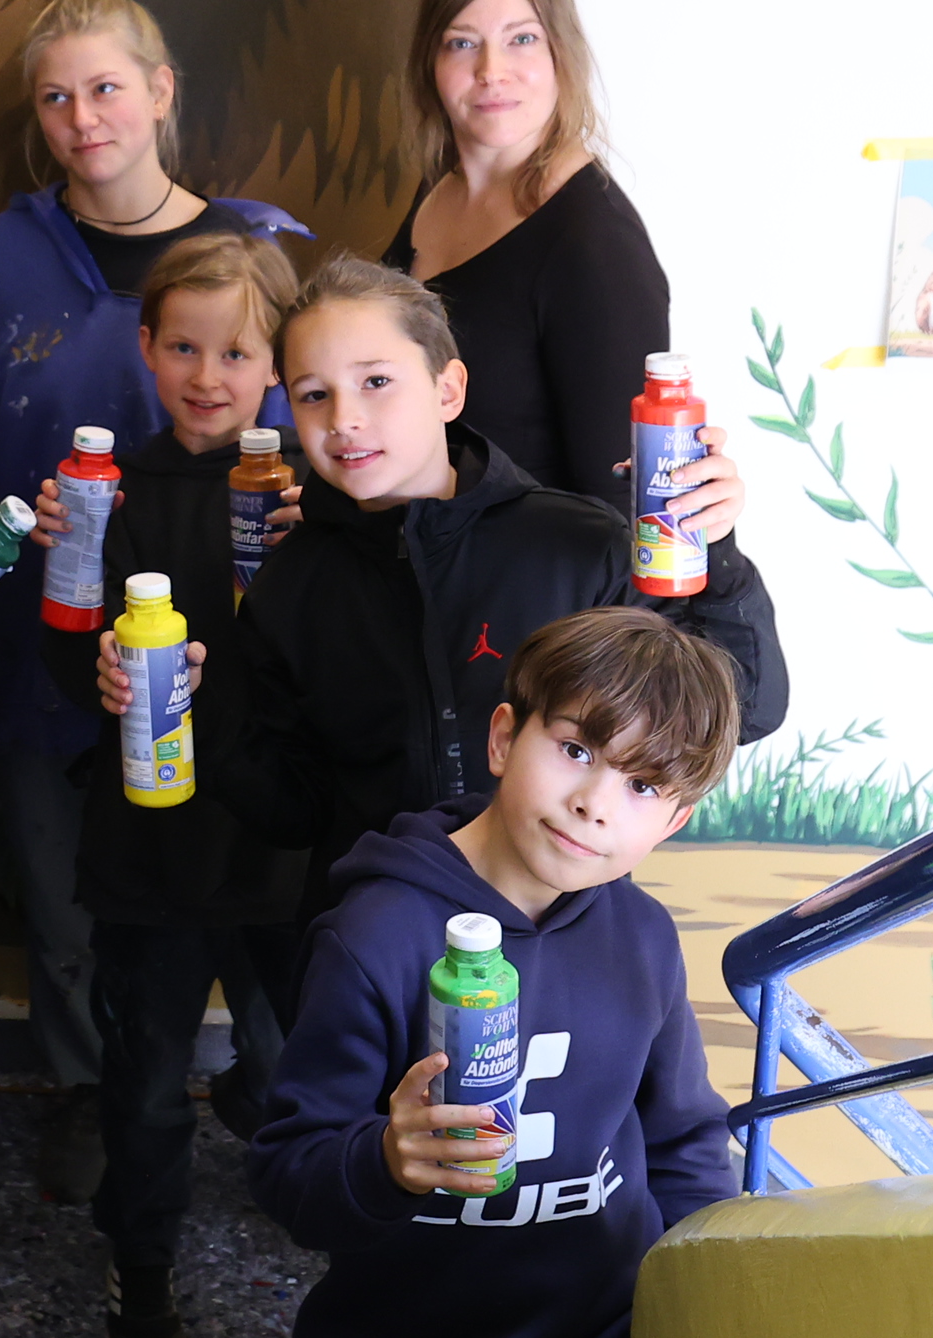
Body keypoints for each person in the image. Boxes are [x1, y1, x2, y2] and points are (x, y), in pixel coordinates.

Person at [246, 606, 746, 1338]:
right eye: (578, 748)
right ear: (506, 737)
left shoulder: (644, 937)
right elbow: (286, 1169)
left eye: (643, 787)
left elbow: (682, 1145)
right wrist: (381, 1160)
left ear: (673, 821)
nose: (598, 802)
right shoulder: (376, 939)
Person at [0, 0, 309, 1198]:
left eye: (105, 86)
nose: (82, 117)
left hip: (238, 673)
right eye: (55, 95)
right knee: (67, 906)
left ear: (161, 90)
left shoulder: (257, 248)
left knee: (262, 909)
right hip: (54, 653)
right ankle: (96, 1094)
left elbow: (309, 451)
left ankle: (286, 1100)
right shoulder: (3, 257)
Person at [209, 260, 782, 893]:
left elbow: (748, 708)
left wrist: (716, 545)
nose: (343, 418)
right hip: (371, 937)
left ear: (448, 389)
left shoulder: (578, 546)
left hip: (552, 934)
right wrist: (195, 708)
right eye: (314, 394)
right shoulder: (288, 588)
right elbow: (293, 812)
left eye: (375, 381)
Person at [38, 228, 311, 1338]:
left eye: (237, 352)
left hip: (279, 837)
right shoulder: (110, 491)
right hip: (149, 846)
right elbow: (65, 661)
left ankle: (308, 1178)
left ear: (276, 369)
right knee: (146, 1080)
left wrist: (318, 552)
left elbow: (332, 662)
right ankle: (140, 1260)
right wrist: (95, 662)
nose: (209, 375)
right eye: (185, 347)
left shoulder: (304, 490)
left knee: (293, 1050)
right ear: (147, 349)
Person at [381, 0, 671, 518]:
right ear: (431, 65)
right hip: (432, 568)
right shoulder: (437, 191)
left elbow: (622, 502)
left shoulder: (595, 243)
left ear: (560, 55)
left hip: (535, 597)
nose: (492, 71)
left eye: (522, 39)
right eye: (463, 43)